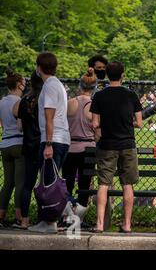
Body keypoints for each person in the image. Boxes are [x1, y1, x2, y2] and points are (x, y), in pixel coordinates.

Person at [89, 61, 142, 233]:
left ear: (107, 74)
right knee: (127, 184)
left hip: (107, 145)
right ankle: (127, 224)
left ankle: (99, 224)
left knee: (103, 184)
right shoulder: (131, 95)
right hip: (127, 143)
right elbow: (139, 123)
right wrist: (127, 122)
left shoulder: (99, 96)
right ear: (122, 75)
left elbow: (95, 123)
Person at [28, 52, 71, 233]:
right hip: (59, 138)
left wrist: (48, 144)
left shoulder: (50, 86)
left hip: (54, 139)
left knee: (49, 182)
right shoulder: (55, 84)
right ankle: (51, 219)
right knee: (49, 180)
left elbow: (49, 118)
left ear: (39, 67)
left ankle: (51, 221)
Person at [62, 68, 98, 221]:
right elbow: (98, 130)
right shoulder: (95, 106)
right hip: (88, 149)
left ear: (79, 86)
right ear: (94, 87)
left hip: (69, 147)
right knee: (84, 186)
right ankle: (78, 219)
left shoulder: (69, 103)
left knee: (67, 183)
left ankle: (67, 217)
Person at [13, 71, 43, 229]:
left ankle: (24, 220)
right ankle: (42, 218)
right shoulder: (45, 99)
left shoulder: (24, 100)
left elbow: (20, 126)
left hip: (28, 145)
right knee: (44, 184)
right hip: (43, 145)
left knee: (28, 185)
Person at [0, 69, 25, 228]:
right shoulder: (20, 102)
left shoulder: (1, 101)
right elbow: (21, 127)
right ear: (18, 85)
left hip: (5, 144)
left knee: (7, 183)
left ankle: (1, 216)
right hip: (19, 144)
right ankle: (18, 217)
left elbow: (2, 124)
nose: (25, 85)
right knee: (20, 183)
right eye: (23, 83)